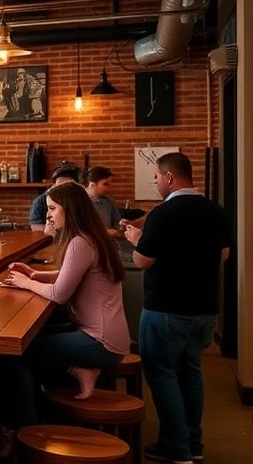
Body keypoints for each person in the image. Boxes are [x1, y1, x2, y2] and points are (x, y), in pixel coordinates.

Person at [123, 152, 230, 463]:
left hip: (166, 309)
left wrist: (136, 238)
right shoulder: (217, 211)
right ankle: (193, 444)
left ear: (168, 177)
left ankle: (175, 446)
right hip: (205, 311)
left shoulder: (163, 214)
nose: (156, 184)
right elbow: (222, 256)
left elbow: (143, 261)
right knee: (191, 372)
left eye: (156, 178)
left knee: (162, 374)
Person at [6, 182, 129, 401]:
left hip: (100, 343)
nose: (48, 214)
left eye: (53, 208)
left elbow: (59, 294)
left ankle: (29, 425)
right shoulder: (93, 237)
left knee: (19, 352)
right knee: (34, 339)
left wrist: (26, 283)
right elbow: (69, 274)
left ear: (70, 209)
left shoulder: (79, 243)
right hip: (111, 337)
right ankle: (75, 374)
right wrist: (34, 274)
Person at [30, 164, 80, 232]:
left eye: (68, 185)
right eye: (60, 184)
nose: (64, 188)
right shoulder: (41, 200)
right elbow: (35, 226)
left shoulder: (80, 198)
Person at [85, 166, 123, 237]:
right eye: (105, 184)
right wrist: (105, 232)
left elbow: (117, 223)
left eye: (109, 184)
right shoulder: (80, 201)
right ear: (92, 185)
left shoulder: (108, 202)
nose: (109, 187)